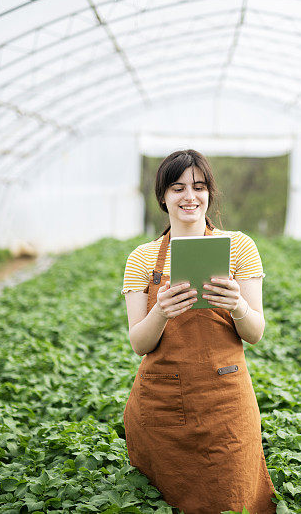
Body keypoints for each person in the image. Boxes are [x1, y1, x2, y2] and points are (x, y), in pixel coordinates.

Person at [120, 149, 276, 513]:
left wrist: (237, 305)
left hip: (226, 404)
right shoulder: (142, 258)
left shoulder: (239, 248)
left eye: (199, 186)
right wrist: (160, 311)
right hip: (160, 408)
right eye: (177, 188)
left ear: (209, 193)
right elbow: (139, 344)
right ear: (163, 197)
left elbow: (255, 333)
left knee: (233, 497)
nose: (190, 196)